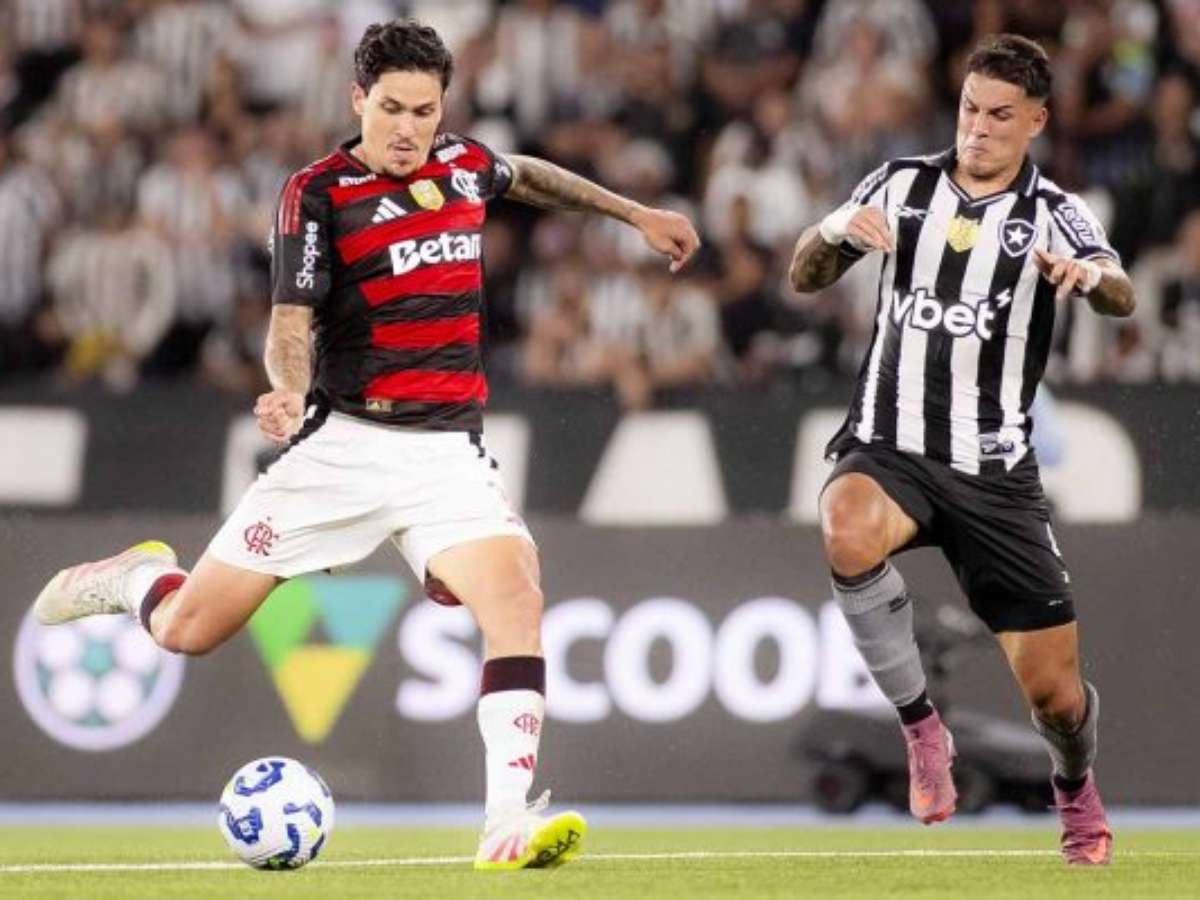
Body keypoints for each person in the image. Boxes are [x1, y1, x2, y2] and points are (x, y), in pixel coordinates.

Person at [33, 19, 699, 872]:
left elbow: (528, 175)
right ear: (358, 100)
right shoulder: (317, 193)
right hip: (342, 447)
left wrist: (634, 213)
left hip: (446, 453)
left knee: (517, 597)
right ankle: (134, 580)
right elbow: (290, 321)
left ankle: (506, 821)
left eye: (424, 111)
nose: (408, 128)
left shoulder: (464, 165)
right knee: (188, 630)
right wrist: (287, 388)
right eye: (391, 109)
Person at [788, 34, 1134, 866]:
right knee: (844, 527)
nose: (978, 128)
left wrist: (1092, 280)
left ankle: (1075, 790)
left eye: (1000, 116)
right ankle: (922, 731)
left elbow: (1119, 290)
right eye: (970, 109)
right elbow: (805, 275)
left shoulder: (1056, 213)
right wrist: (832, 229)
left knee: (1056, 699)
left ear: (1037, 122)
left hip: (995, 476)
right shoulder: (901, 183)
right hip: (891, 447)